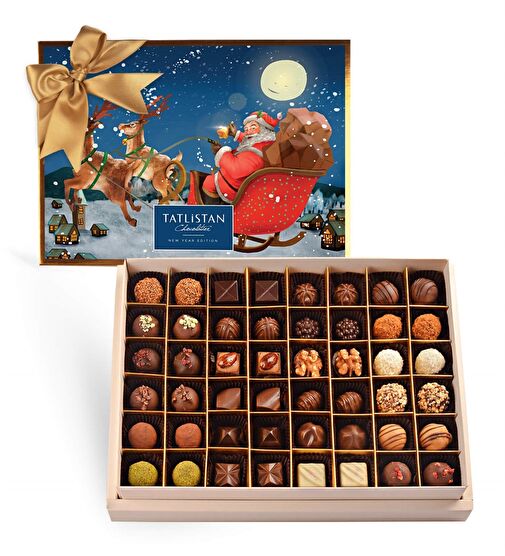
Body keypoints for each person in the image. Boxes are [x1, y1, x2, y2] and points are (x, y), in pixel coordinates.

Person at [188, 110, 282, 204]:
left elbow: (237, 170)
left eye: (253, 127)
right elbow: (248, 140)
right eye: (246, 129)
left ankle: (214, 210)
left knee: (208, 182)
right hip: (236, 183)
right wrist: (235, 134)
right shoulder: (264, 143)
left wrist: (220, 151)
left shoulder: (257, 152)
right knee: (206, 179)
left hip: (232, 188)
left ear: (264, 129)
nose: (248, 132)